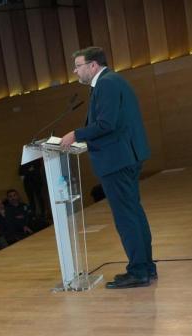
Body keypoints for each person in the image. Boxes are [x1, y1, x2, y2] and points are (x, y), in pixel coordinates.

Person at [61, 46, 155, 288]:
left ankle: (138, 271)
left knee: (126, 217)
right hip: (125, 156)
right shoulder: (112, 81)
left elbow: (106, 124)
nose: (75, 71)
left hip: (117, 160)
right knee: (134, 213)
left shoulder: (106, 84)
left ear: (93, 65)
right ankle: (146, 267)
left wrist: (76, 134)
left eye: (78, 66)